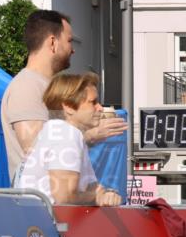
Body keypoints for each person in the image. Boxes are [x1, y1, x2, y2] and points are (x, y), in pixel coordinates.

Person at [1, 10, 127, 181]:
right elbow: (35, 151)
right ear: (53, 42)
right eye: (69, 41)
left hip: (56, 198)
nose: (73, 50)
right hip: (39, 203)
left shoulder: (48, 86)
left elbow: (59, 140)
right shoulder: (27, 87)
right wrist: (91, 135)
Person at [13, 72, 121, 206]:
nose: (100, 108)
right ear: (68, 107)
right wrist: (97, 197)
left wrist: (104, 193)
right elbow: (64, 197)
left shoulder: (60, 131)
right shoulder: (66, 134)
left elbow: (90, 187)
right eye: (93, 102)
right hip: (48, 222)